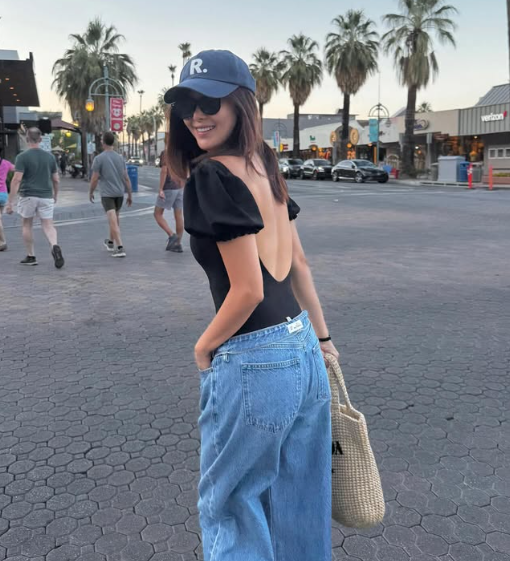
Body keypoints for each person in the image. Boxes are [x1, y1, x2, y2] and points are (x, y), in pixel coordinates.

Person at [164, 50, 340, 561]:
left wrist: (203, 348)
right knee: (298, 502)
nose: (195, 115)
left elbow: (248, 290)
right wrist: (324, 341)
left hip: (256, 359)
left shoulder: (211, 175)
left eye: (210, 102)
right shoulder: (264, 160)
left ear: (241, 104)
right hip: (301, 348)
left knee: (231, 507)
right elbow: (299, 263)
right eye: (186, 105)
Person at [6, 127, 64, 269]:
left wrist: (10, 202)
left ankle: (31, 256)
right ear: (40, 139)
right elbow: (56, 179)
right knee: (48, 225)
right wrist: (55, 195)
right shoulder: (50, 157)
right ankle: (54, 245)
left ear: (27, 139)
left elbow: (17, 179)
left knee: (27, 224)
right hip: (46, 196)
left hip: (28, 195)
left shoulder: (22, 157)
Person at [89, 132, 132, 258]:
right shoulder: (120, 158)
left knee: (112, 220)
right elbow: (126, 177)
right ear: (113, 142)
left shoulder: (99, 159)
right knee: (115, 218)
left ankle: (120, 247)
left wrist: (91, 192)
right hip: (119, 193)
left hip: (107, 194)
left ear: (103, 142)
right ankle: (111, 242)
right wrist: (130, 194)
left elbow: (94, 178)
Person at [154, 150, 184, 252]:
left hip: (168, 189)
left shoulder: (166, 155)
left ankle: (172, 235)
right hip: (179, 189)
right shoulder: (178, 156)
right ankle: (178, 243)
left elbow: (164, 170)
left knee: (157, 214)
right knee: (178, 216)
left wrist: (160, 189)